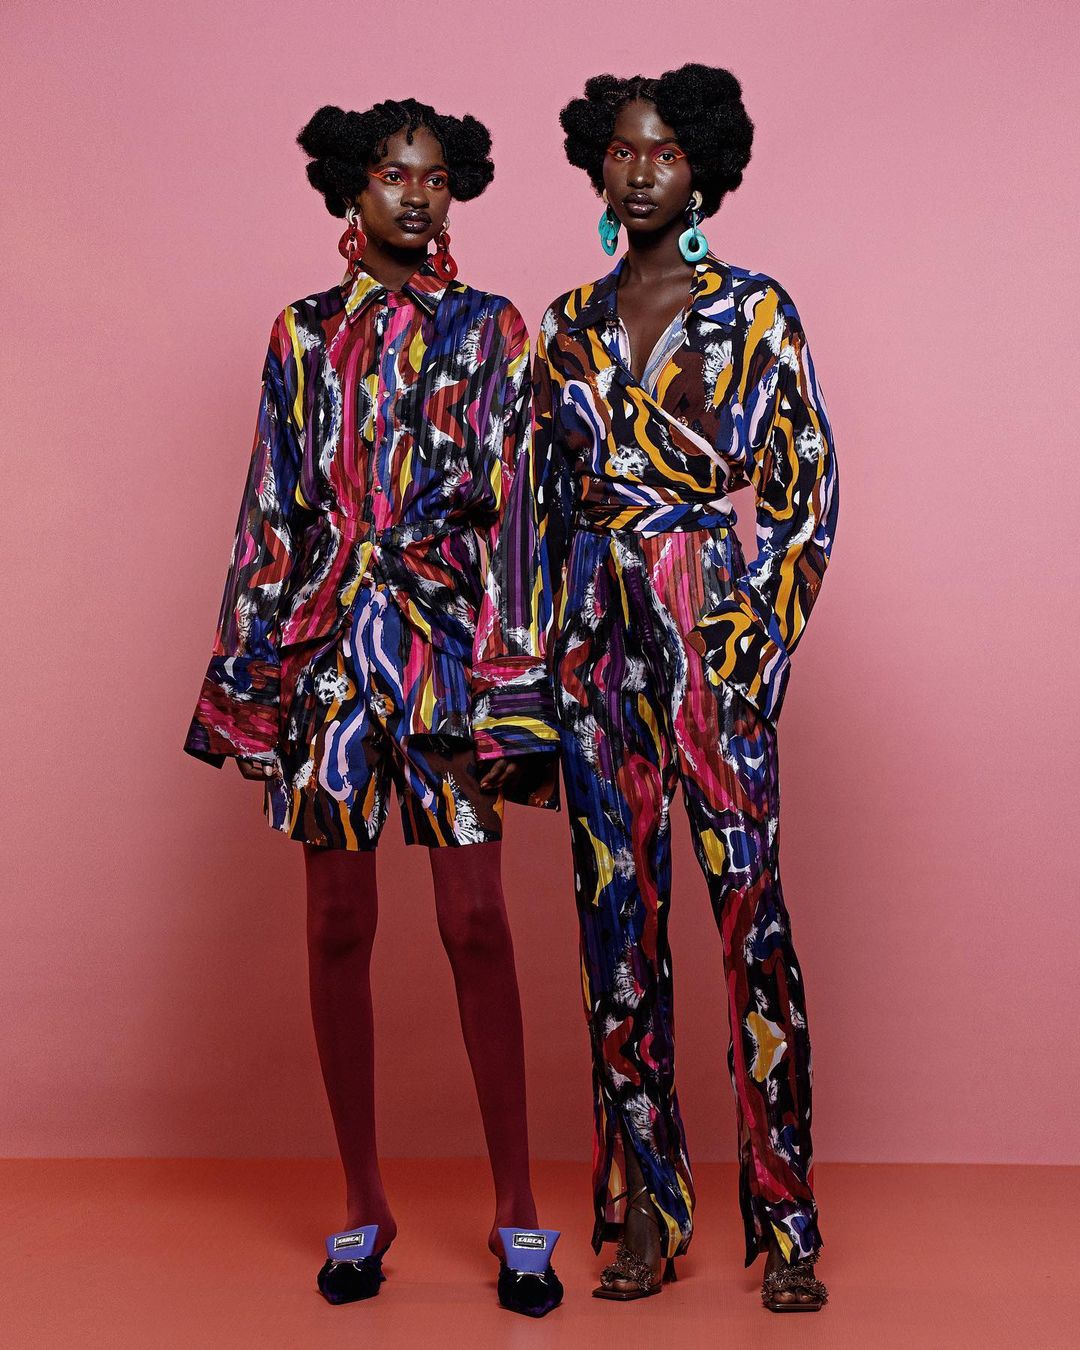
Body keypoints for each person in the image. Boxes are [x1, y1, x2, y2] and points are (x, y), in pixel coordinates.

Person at [183, 97, 561, 1318]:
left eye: (436, 176)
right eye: (393, 174)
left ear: (456, 192)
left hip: (447, 657)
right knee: (338, 925)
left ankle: (517, 1207)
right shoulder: (300, 336)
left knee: (477, 921)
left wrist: (514, 692)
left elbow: (518, 518)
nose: (415, 194)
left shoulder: (494, 331)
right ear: (351, 187)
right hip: (328, 660)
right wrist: (251, 688)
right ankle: (362, 1203)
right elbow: (269, 512)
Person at [473, 63, 837, 1312]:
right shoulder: (564, 325)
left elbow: (807, 492)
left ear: (704, 170)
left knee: (752, 927)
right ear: (598, 164)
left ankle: (787, 1224)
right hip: (593, 641)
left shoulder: (755, 311)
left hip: (707, 622)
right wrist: (521, 688)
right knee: (615, 934)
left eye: (666, 152)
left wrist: (745, 648)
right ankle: (646, 1213)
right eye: (623, 151)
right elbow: (524, 515)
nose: (641, 172)